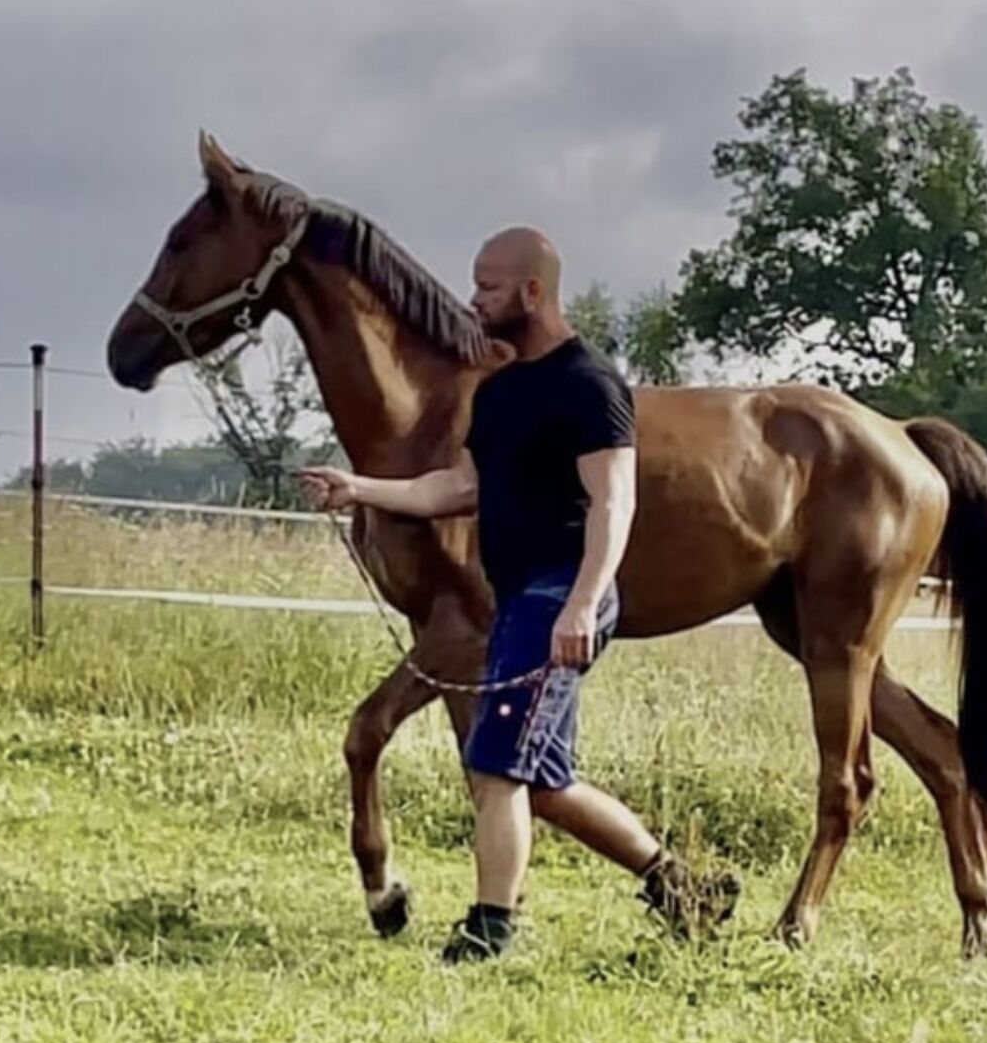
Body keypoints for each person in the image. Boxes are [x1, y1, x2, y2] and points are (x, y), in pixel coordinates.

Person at [299, 226, 738, 964]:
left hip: (560, 594)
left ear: (533, 292)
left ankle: (490, 928)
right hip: (519, 601)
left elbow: (615, 502)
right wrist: (361, 489)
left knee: (496, 764)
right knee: (543, 783)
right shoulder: (500, 391)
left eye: (489, 287)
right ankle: (683, 887)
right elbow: (458, 487)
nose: (473, 300)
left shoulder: (589, 385)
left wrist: (582, 603)